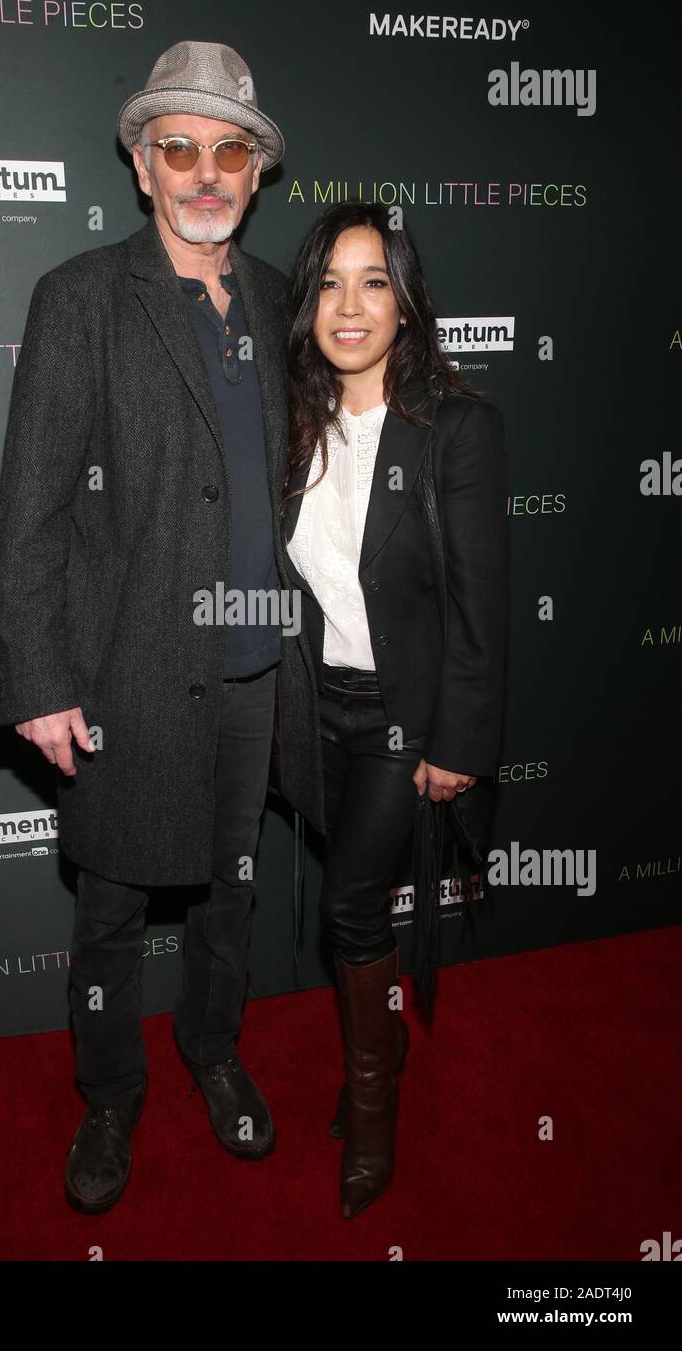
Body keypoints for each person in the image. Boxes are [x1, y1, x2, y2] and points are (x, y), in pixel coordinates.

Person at [0, 40, 323, 1215]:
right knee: (113, 909)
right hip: (128, 672)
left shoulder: (288, 304)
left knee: (232, 890)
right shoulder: (78, 298)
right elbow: (30, 510)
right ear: (141, 165)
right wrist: (38, 672)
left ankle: (213, 1048)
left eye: (228, 149)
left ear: (255, 171)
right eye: (177, 147)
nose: (203, 170)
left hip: (254, 670)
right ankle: (109, 1094)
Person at [281, 200, 508, 1218]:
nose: (349, 304)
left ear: (406, 301)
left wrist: (455, 740)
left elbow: (477, 601)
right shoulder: (294, 420)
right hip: (310, 710)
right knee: (351, 904)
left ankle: (373, 1100)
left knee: (347, 909)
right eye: (328, 281)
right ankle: (378, 1049)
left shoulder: (455, 426)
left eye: (373, 280)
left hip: (396, 721)